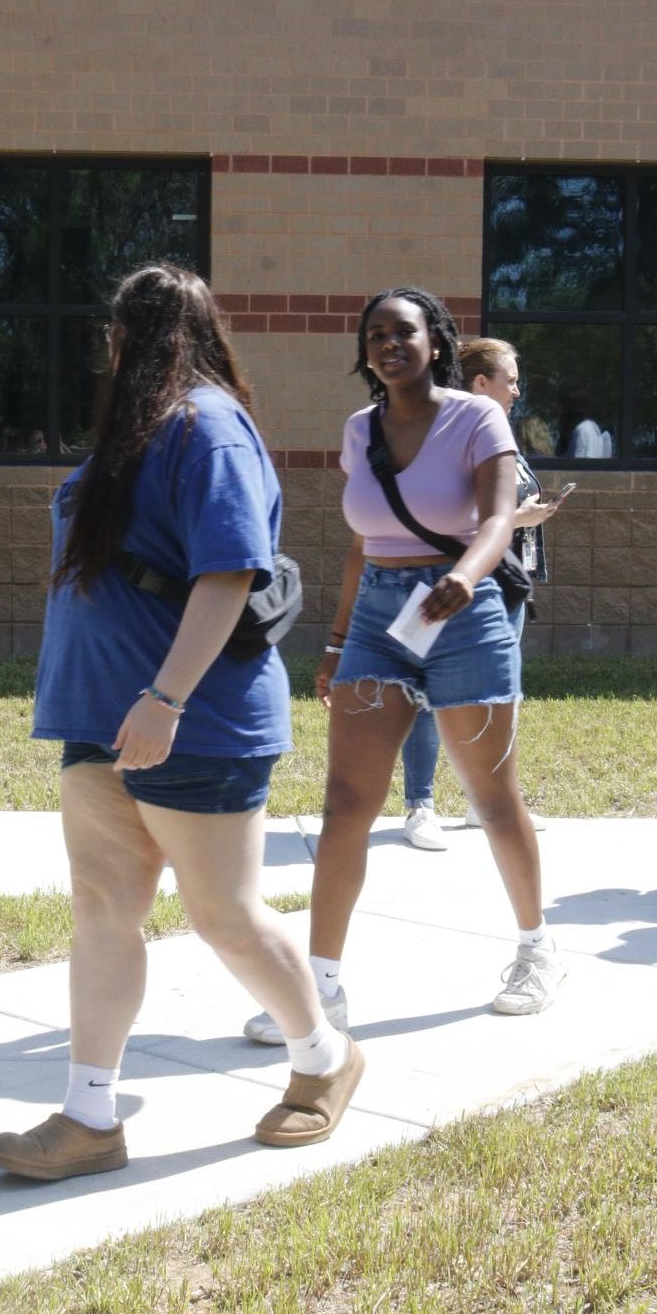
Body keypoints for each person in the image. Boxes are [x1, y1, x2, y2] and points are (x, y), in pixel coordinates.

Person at [0, 264, 364, 1180]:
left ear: (132, 337)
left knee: (223, 916)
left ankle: (325, 1057)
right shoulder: (137, 434)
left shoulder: (207, 426)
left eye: (121, 332)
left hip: (194, 722)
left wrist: (166, 699)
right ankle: (89, 1119)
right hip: (98, 718)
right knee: (102, 910)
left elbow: (228, 573)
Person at [246, 287, 565, 1038]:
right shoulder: (362, 429)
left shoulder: (476, 416)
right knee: (345, 805)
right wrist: (334, 640)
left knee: (491, 799)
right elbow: (363, 543)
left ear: (437, 340)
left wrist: (466, 574)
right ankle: (320, 988)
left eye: (405, 332)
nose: (389, 344)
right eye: (376, 335)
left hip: (465, 612)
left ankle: (536, 948)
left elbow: (496, 521)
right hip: (385, 619)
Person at [400, 337, 565, 849]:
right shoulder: (447, 436)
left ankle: (484, 802)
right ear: (480, 383)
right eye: (511, 380)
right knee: (427, 694)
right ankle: (419, 806)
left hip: (504, 586)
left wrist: (524, 513)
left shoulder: (499, 437)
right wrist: (520, 517)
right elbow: (443, 518)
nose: (518, 390)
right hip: (450, 582)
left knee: (497, 693)